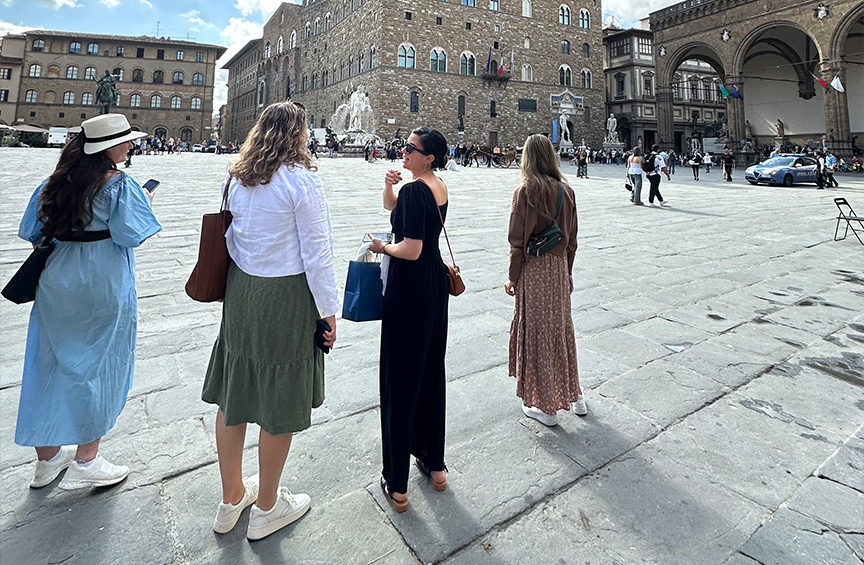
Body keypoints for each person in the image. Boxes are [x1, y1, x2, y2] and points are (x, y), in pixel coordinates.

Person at [201, 102, 339, 540]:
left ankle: (230, 499)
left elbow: (229, 235)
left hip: (242, 294)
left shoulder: (236, 178)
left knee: (235, 391)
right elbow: (318, 253)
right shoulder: (302, 182)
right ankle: (266, 507)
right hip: (285, 297)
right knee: (279, 397)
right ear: (299, 135)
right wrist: (328, 311)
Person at [14, 114, 160, 490]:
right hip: (102, 282)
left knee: (50, 364)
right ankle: (86, 460)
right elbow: (132, 234)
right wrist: (144, 201)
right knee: (99, 364)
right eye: (126, 140)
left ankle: (46, 460)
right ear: (106, 147)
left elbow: (32, 231)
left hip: (56, 281)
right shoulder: (120, 185)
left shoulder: (52, 183)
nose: (131, 145)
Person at [368, 128, 451, 513]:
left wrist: (381, 247)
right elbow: (397, 210)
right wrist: (389, 187)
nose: (403, 151)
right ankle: (435, 466)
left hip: (410, 289)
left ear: (428, 156)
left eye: (410, 148)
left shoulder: (417, 190)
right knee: (430, 370)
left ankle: (397, 485)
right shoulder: (435, 187)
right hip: (434, 286)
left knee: (400, 379)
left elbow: (411, 248)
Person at [504, 134, 585, 427]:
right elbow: (572, 239)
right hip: (559, 267)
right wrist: (569, 270)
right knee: (560, 328)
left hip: (535, 270)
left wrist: (512, 277)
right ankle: (576, 396)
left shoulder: (525, 191)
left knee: (538, 330)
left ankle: (547, 407)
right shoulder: (567, 190)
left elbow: (516, 240)